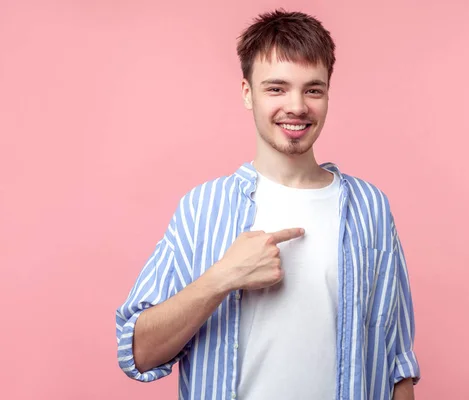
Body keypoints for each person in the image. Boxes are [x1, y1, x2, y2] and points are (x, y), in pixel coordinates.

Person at [115, 9, 421, 400]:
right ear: (248, 93)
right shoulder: (202, 208)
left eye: (313, 89)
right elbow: (137, 352)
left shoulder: (370, 208)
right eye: (276, 88)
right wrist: (223, 276)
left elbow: (397, 365)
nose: (296, 106)